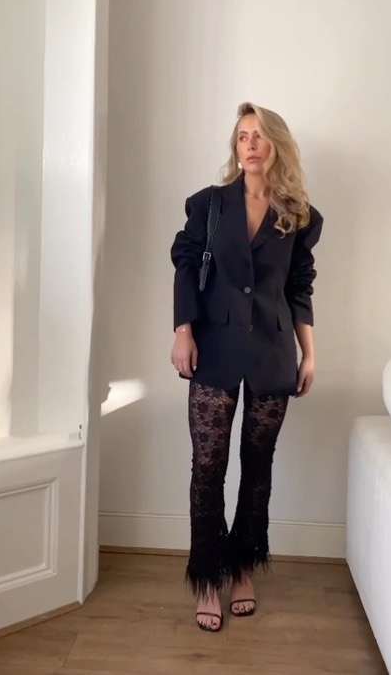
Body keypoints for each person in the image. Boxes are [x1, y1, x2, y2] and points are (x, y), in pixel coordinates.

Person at [170, 102, 323, 632]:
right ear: (235, 147)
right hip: (214, 346)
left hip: (273, 351)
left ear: (277, 144)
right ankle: (207, 575)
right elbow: (185, 265)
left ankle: (241, 568)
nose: (251, 144)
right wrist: (183, 330)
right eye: (242, 136)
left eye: (259, 135)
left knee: (258, 469)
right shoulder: (208, 205)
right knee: (208, 468)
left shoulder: (300, 216)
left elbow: (299, 286)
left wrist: (309, 352)